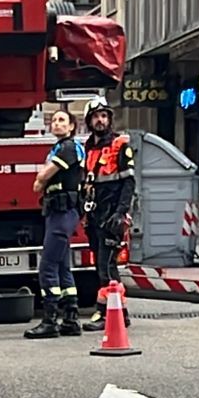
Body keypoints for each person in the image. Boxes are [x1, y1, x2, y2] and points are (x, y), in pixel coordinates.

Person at [25, 108, 86, 339]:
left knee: (48, 265)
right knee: (62, 266)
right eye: (54, 120)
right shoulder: (60, 147)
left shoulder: (68, 147)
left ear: (72, 126)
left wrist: (41, 180)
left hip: (63, 212)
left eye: (62, 120)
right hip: (58, 212)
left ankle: (50, 320)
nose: (57, 124)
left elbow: (43, 177)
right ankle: (70, 319)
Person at [80, 96, 136, 328]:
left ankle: (105, 313)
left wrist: (121, 212)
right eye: (96, 117)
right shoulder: (88, 147)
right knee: (100, 265)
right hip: (94, 214)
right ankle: (119, 314)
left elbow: (129, 183)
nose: (100, 120)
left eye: (104, 116)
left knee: (106, 265)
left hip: (112, 214)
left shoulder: (120, 145)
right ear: (89, 121)